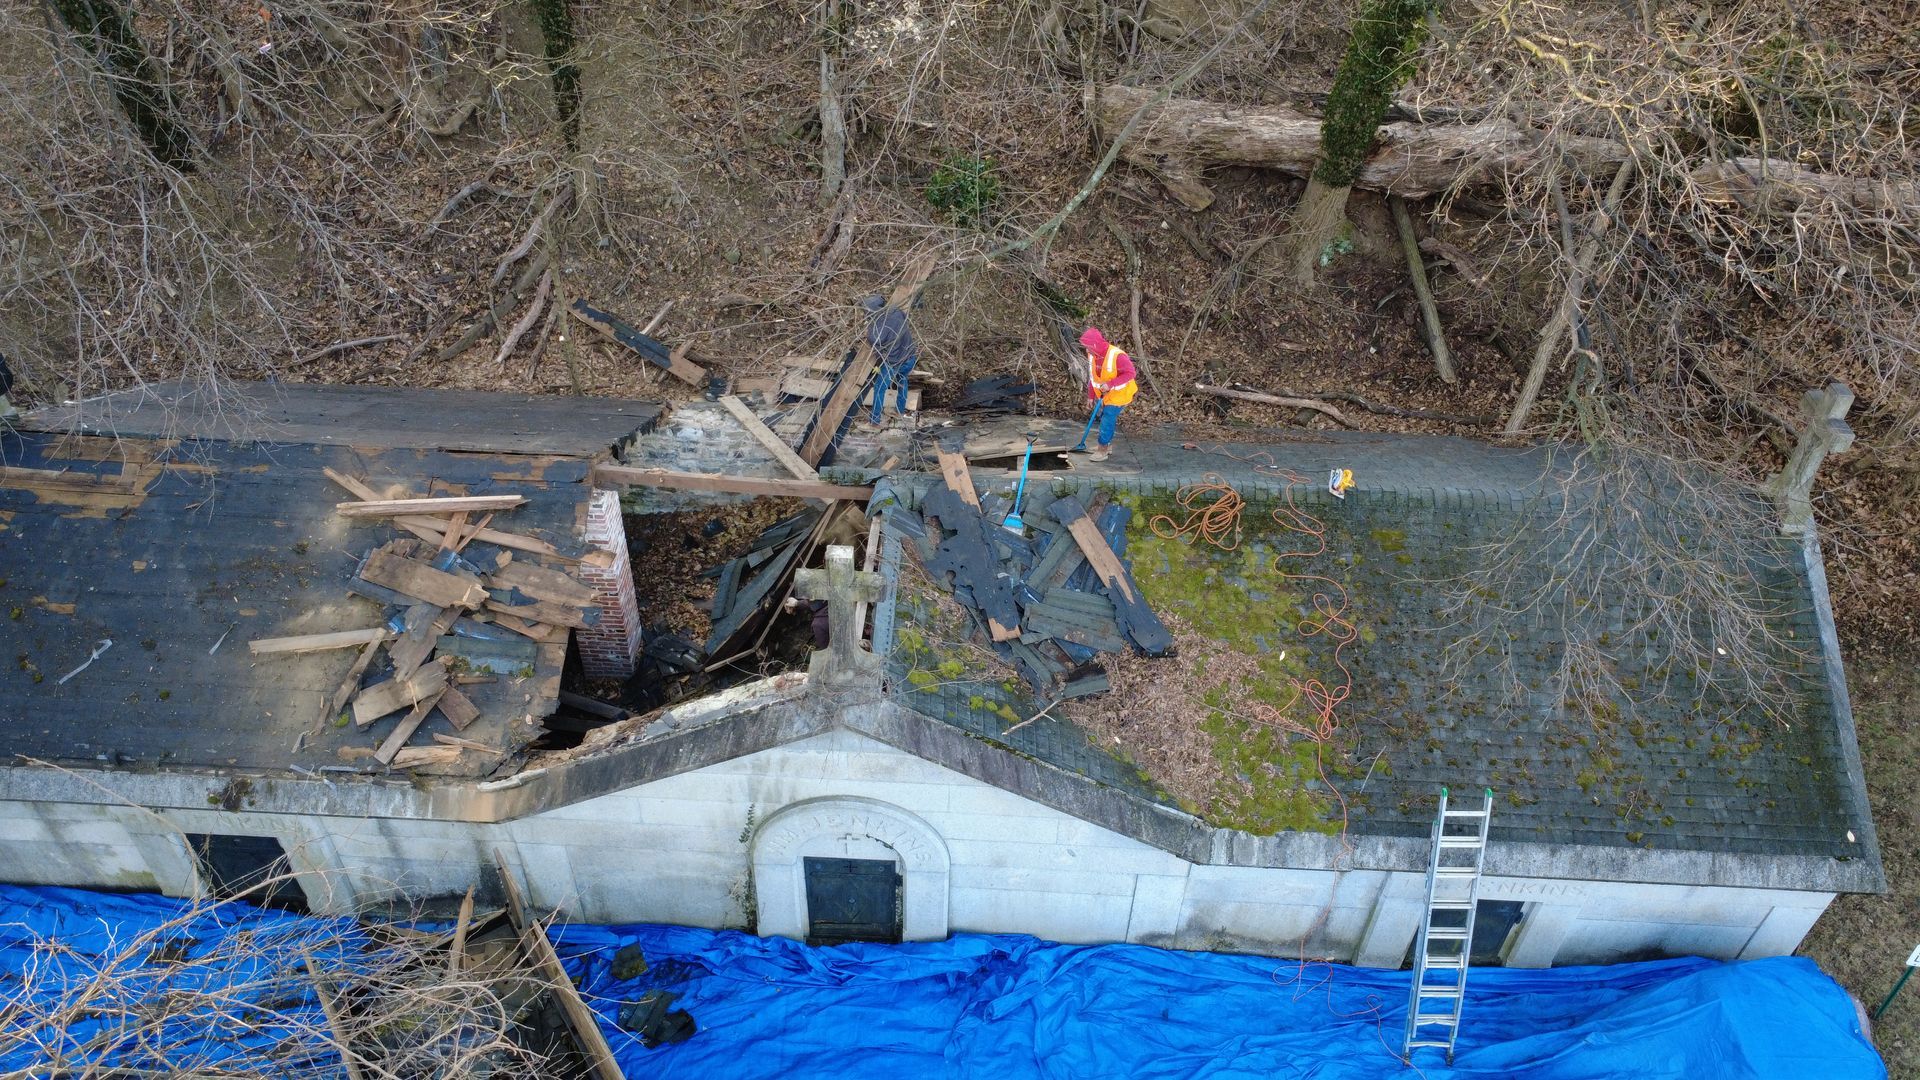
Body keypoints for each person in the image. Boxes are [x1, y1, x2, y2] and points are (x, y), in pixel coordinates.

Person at [1079, 326, 1137, 462]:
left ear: (1095, 345)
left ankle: (1103, 449)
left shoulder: (1117, 356)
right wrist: (1091, 396)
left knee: (1107, 419)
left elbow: (1131, 373)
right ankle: (1107, 445)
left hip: (1120, 393)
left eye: (1088, 347)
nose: (1086, 350)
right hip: (1106, 393)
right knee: (1107, 419)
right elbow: (1093, 377)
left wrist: (1110, 384)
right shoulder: (1092, 355)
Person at [860, 294, 918, 427]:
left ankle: (874, 422)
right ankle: (899, 411)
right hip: (909, 356)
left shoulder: (880, 325)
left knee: (879, 388)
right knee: (902, 380)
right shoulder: (895, 311)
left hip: (894, 361)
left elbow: (875, 339)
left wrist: (867, 333)